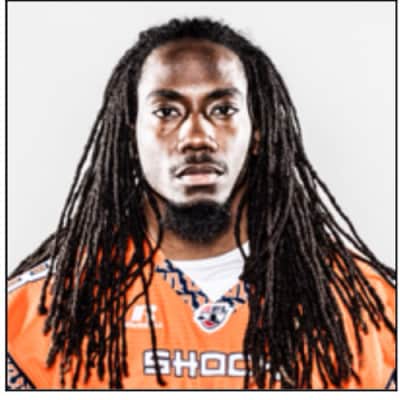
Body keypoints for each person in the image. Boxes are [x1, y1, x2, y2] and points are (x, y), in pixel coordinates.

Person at [7, 17, 395, 390]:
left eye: (223, 110)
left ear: (258, 131)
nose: (196, 136)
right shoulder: (32, 310)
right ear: (131, 136)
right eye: (167, 112)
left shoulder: (376, 310)